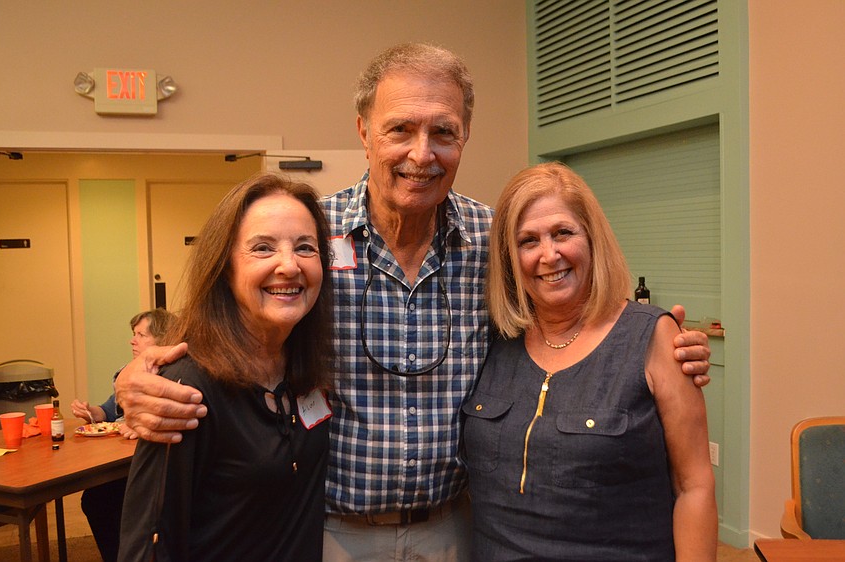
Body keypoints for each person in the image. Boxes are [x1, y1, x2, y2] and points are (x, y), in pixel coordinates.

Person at [113, 43, 712, 561]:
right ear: (363, 132)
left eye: (443, 132)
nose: (422, 154)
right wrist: (137, 377)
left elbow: (570, 312)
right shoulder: (310, 240)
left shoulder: (496, 242)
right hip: (330, 531)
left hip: (455, 529)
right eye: (400, 129)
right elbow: (226, 328)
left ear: (464, 136)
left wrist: (657, 342)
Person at [462, 162, 717, 561]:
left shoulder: (653, 337)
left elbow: (694, 487)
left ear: (592, 238)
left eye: (563, 233)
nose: (550, 255)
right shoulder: (494, 339)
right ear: (510, 257)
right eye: (528, 241)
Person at [117, 173, 335, 561]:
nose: (289, 265)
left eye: (305, 247)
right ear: (225, 267)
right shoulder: (186, 389)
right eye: (263, 248)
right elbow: (147, 543)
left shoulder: (303, 366)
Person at [70, 308, 175, 562]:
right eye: (133, 334)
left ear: (162, 340)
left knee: (99, 499)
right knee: (96, 496)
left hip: (159, 467)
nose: (132, 340)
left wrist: (141, 425)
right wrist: (90, 412)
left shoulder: (173, 375)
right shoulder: (128, 372)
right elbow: (109, 410)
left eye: (141, 335)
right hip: (123, 459)